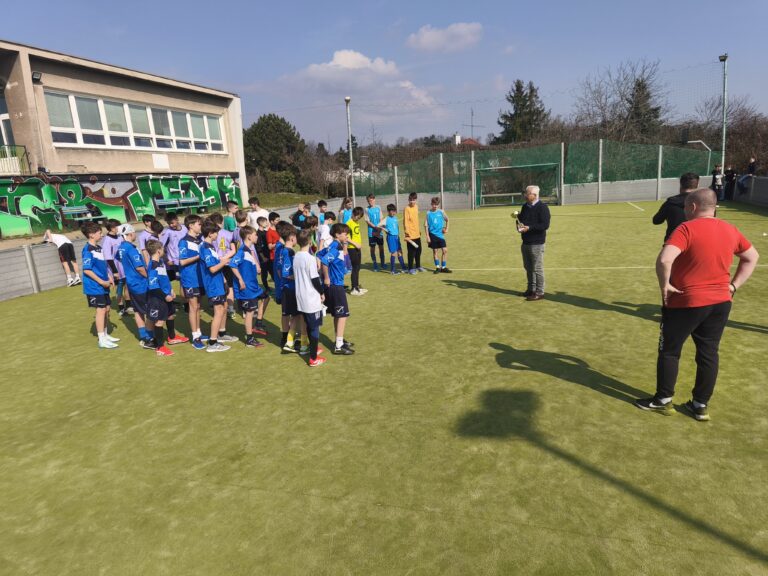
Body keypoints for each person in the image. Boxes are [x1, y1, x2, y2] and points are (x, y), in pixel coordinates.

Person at [635, 189, 759, 421]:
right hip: (721, 302)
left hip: (687, 301)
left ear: (692, 207)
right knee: (709, 352)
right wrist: (733, 286)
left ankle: (663, 400)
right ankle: (700, 404)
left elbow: (664, 259)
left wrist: (665, 285)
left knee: (670, 350)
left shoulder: (686, 228)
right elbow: (752, 257)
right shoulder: (730, 229)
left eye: (685, 207)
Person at [145, 239, 188, 357]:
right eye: (163, 249)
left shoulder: (161, 262)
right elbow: (153, 286)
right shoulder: (152, 266)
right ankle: (159, 347)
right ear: (158, 251)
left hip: (167, 294)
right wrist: (165, 296)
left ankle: (172, 337)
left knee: (171, 315)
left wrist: (171, 290)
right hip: (158, 298)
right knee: (159, 322)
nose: (164, 250)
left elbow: (164, 278)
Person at [199, 220, 237, 352]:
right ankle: (212, 342)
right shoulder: (205, 248)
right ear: (210, 234)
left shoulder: (210, 247)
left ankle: (221, 334)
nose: (217, 235)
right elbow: (212, 269)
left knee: (223, 308)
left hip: (218, 283)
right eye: (216, 233)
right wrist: (225, 261)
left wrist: (225, 281)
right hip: (213, 285)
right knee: (218, 311)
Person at [318, 223, 355, 355]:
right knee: (343, 314)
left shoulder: (334, 246)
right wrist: (326, 277)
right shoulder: (335, 248)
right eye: (345, 233)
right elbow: (324, 262)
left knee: (337, 314)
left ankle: (339, 340)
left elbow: (319, 254)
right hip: (335, 285)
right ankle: (338, 346)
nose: (347, 236)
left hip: (334, 285)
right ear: (337, 234)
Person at [80, 222, 119, 349]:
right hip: (94, 286)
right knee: (101, 310)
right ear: (91, 235)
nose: (102, 235)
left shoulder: (99, 248)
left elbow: (103, 266)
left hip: (104, 284)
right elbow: (87, 270)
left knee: (107, 309)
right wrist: (101, 281)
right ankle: (101, 339)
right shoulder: (87, 250)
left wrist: (109, 277)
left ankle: (106, 335)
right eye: (99, 233)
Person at [230, 226, 269, 348]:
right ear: (249, 236)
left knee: (266, 297)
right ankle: (250, 339)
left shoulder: (248, 250)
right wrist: (241, 280)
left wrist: (256, 266)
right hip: (247, 289)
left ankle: (258, 323)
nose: (257, 236)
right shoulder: (242, 251)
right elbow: (232, 264)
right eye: (255, 234)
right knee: (249, 312)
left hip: (254, 287)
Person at [117, 224, 153, 348]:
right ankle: (149, 337)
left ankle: (144, 336)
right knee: (149, 310)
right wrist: (149, 277)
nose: (135, 235)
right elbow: (139, 267)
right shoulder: (131, 249)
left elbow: (119, 258)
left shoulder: (121, 247)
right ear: (130, 234)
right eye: (133, 232)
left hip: (131, 283)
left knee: (138, 311)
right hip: (140, 283)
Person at [294, 229, 326, 367]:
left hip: (300, 296)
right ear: (308, 241)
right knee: (314, 327)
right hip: (310, 297)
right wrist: (321, 292)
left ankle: (312, 348)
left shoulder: (296, 256)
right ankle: (313, 358)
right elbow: (314, 279)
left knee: (308, 323)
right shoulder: (310, 258)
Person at [517, 185, 551, 301]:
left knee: (537, 269)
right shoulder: (525, 207)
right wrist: (519, 227)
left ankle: (540, 292)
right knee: (528, 268)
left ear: (534, 195)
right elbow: (521, 221)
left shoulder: (543, 207)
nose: (525, 195)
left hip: (537, 243)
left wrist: (529, 228)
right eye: (525, 193)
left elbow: (545, 225)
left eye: (527, 193)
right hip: (525, 242)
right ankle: (531, 289)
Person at [178, 215, 207, 350]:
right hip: (190, 279)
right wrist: (197, 257)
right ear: (191, 225)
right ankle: (195, 336)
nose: (201, 226)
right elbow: (182, 261)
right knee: (193, 307)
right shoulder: (183, 242)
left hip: (201, 278)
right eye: (199, 224)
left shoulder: (200, 239)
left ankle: (199, 332)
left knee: (198, 306)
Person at [652, 172, 699, 242]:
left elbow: (656, 220)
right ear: (697, 185)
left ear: (681, 184)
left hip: (674, 243)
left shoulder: (670, 202)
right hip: (695, 242)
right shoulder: (704, 202)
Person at [280, 227, 304, 353]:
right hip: (290, 288)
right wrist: (302, 275)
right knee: (296, 315)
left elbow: (279, 270)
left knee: (293, 314)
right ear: (291, 238)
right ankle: (290, 342)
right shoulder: (289, 252)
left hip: (286, 287)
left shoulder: (283, 250)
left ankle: (291, 339)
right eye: (295, 237)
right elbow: (285, 272)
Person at [425, 196, 451, 274]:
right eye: (433, 204)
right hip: (432, 234)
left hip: (440, 235)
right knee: (435, 251)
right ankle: (437, 267)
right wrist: (427, 236)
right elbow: (426, 225)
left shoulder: (441, 212)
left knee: (445, 250)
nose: (435, 206)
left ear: (438, 204)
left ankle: (443, 267)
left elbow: (447, 219)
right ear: (431, 204)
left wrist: (447, 228)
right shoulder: (428, 213)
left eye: (436, 204)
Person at [160, 212, 187, 282]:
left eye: (172, 223)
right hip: (175, 262)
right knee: (181, 280)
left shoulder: (185, 228)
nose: (171, 225)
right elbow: (161, 247)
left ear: (177, 219)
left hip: (187, 259)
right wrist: (167, 260)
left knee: (188, 279)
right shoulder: (167, 232)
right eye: (169, 224)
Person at [383, 204, 407, 274]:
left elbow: (397, 227)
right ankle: (392, 270)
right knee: (394, 253)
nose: (393, 213)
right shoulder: (386, 219)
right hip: (391, 237)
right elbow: (380, 226)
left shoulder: (395, 218)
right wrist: (386, 230)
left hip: (396, 237)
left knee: (400, 251)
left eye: (394, 211)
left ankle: (403, 267)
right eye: (392, 211)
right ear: (388, 211)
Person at [347, 207, 366, 295]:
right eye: (358, 216)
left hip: (357, 248)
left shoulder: (356, 222)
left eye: (360, 217)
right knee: (355, 268)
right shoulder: (348, 223)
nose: (358, 218)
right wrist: (355, 244)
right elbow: (347, 238)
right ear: (354, 214)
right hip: (352, 248)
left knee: (358, 267)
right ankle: (353, 288)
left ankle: (357, 286)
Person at [364, 194, 385, 271]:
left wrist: (379, 228)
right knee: (372, 249)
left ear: (374, 199)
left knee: (381, 248)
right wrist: (375, 227)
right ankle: (375, 264)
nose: (371, 202)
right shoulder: (366, 209)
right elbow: (368, 221)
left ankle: (382, 263)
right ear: (367, 201)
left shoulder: (378, 207)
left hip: (379, 231)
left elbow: (381, 218)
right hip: (371, 233)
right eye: (369, 200)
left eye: (372, 200)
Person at [403, 192, 423, 274]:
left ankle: (418, 266)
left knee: (419, 250)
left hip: (417, 234)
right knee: (411, 252)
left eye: (413, 200)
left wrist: (419, 230)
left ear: (416, 200)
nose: (412, 201)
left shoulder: (416, 207)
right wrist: (407, 233)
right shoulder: (407, 209)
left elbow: (416, 220)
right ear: (408, 200)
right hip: (410, 235)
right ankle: (410, 268)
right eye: (410, 200)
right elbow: (405, 222)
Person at [255, 216, 271, 291]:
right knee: (264, 274)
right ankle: (266, 287)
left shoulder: (266, 232)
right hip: (263, 258)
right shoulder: (257, 234)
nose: (267, 223)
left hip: (269, 256)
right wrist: (263, 258)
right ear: (261, 223)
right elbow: (258, 248)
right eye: (265, 222)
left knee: (272, 271)